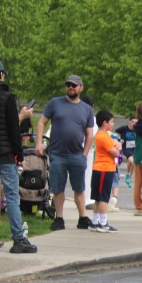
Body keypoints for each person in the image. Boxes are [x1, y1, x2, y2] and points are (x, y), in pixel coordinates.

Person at [0, 59, 37, 254]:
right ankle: (18, 239)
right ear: (1, 75)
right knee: (13, 196)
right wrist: (19, 154)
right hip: (4, 155)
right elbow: (14, 130)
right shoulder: (7, 97)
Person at [35, 74, 94, 231]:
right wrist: (39, 143)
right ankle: (59, 218)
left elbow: (89, 134)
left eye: (74, 85)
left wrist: (84, 154)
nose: (71, 88)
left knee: (79, 188)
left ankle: (83, 218)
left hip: (77, 155)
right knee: (58, 189)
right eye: (68, 85)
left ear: (81, 88)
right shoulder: (55, 103)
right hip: (57, 154)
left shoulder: (87, 109)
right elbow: (41, 122)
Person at [88, 109, 120, 232]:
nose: (113, 124)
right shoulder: (103, 136)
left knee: (98, 197)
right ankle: (103, 223)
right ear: (104, 123)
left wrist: (115, 144)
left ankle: (95, 222)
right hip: (105, 169)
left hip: (99, 168)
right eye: (111, 122)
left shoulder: (102, 135)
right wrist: (117, 149)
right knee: (104, 198)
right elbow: (114, 153)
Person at [118, 115, 136, 187]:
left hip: (135, 148)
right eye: (132, 122)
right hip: (126, 148)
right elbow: (116, 132)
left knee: (131, 163)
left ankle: (128, 176)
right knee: (133, 162)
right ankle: (128, 177)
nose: (134, 124)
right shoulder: (124, 128)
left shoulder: (137, 129)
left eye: (135, 122)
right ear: (129, 122)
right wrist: (119, 140)